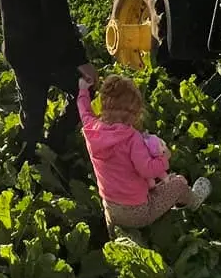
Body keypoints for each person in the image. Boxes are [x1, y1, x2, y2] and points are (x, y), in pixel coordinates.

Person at [0, 0, 98, 166]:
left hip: (20, 56)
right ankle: (56, 142)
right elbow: (57, 20)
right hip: (47, 57)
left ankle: (27, 164)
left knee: (32, 115)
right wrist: (81, 60)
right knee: (85, 90)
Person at [76, 73, 211, 234]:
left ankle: (115, 234)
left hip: (110, 209)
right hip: (137, 211)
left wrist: (83, 90)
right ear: (134, 112)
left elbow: (84, 111)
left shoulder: (92, 130)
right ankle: (193, 201)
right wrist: (164, 158)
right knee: (178, 183)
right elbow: (147, 170)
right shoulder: (132, 138)